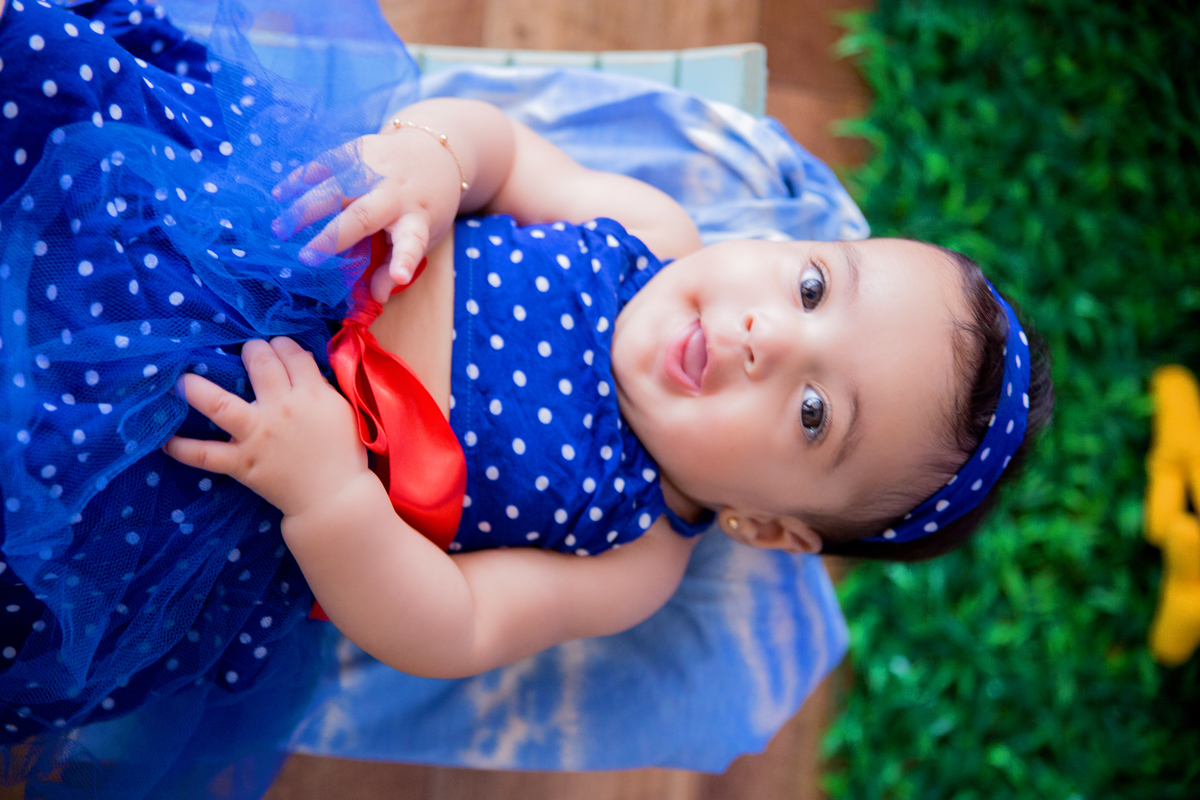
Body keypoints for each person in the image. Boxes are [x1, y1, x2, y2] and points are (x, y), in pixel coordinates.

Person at [0, 0, 1051, 785]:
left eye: (816, 411)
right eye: (814, 284)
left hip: (230, 479)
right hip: (264, 237)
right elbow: (503, 151)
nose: (763, 334)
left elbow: (447, 624)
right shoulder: (653, 235)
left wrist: (330, 499)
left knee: (49, 503)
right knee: (77, 143)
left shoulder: (633, 555)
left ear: (769, 523)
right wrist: (428, 159)